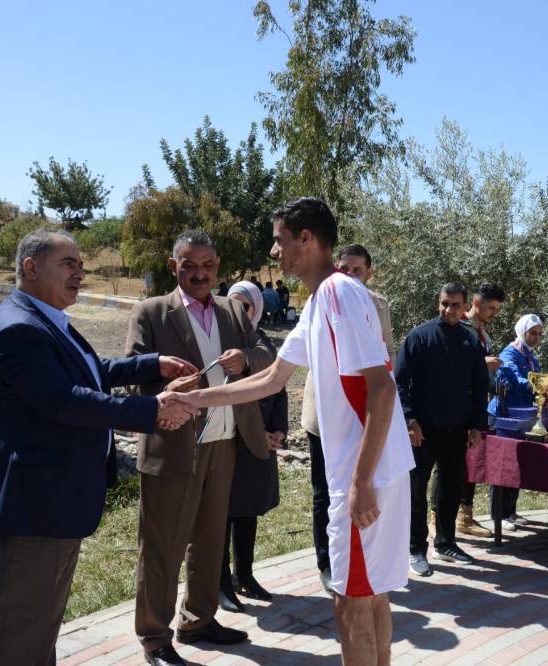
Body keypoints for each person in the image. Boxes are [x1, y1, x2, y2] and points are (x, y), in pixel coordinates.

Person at [174, 197, 415, 665]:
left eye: (279, 240)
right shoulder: (324, 298)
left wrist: (361, 481)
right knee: (370, 595)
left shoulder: (339, 294)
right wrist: (196, 398)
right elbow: (271, 378)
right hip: (375, 468)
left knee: (350, 603)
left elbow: (383, 390)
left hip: (364, 472)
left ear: (306, 239)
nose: (274, 251)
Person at [0, 230, 198, 666]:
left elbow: (90, 370)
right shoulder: (18, 330)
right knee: (16, 639)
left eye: (80, 264)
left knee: (37, 632)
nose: (79, 273)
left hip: (51, 505)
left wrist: (151, 364)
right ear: (31, 268)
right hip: (30, 513)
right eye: (68, 264)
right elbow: (65, 400)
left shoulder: (44, 320)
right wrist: (152, 409)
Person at [125, 231, 275, 665]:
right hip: (173, 446)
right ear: (173, 266)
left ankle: (198, 619)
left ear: (218, 266)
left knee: (210, 540)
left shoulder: (232, 309)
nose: (199, 274)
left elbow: (267, 353)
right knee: (162, 546)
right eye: (189, 265)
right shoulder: (152, 312)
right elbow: (132, 379)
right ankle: (154, 637)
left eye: (207, 265)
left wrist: (245, 358)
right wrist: (165, 389)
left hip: (223, 443)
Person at [301, 243, 395, 596]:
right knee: (324, 492)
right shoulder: (323, 297)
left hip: (366, 414)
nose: (350, 275)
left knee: (362, 490)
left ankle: (366, 563)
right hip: (326, 412)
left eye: (357, 270)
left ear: (369, 273)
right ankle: (328, 563)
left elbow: (385, 357)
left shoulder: (378, 304)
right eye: (345, 268)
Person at [396, 282, 489, 577]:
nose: (448, 310)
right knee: (416, 490)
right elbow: (399, 383)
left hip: (457, 430)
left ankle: (446, 543)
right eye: (444, 303)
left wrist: (476, 425)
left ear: (465, 307)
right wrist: (409, 420)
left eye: (455, 305)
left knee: (451, 488)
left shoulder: (470, 341)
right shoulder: (419, 337)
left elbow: (479, 387)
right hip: (422, 431)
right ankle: (415, 549)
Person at [219, 281, 288, 612]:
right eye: (232, 304)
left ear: (256, 308)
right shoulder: (220, 342)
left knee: (248, 510)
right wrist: (256, 431)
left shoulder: (262, 342)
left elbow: (278, 387)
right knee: (221, 515)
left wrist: (277, 430)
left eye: (244, 306)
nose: (238, 312)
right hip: (227, 441)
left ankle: (244, 575)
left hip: (260, 443)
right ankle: (220, 583)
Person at [457, 282, 506, 537]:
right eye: (491, 308)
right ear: (476, 303)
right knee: (448, 464)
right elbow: (451, 366)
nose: (494, 314)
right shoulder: (457, 327)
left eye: (497, 309)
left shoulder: (483, 333)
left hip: (476, 407)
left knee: (472, 460)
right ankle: (438, 518)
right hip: (455, 407)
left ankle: (465, 515)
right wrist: (482, 363)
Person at [488, 314, 543, 531]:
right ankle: (497, 515)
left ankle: (510, 511)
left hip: (522, 417)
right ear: (522, 331)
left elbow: (535, 379)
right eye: (532, 333)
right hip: (504, 417)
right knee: (502, 466)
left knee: (516, 465)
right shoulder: (509, 354)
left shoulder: (530, 355)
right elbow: (516, 379)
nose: (536, 338)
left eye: (539, 334)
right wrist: (540, 385)